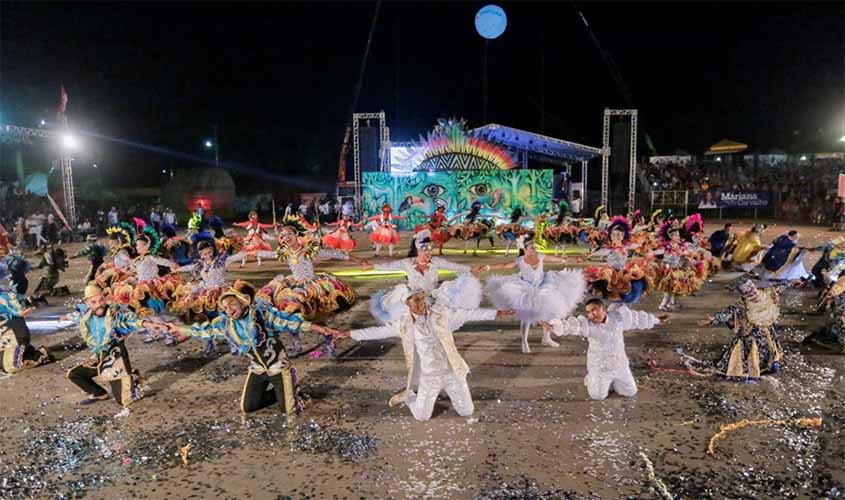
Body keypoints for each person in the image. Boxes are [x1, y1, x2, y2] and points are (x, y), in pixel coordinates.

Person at [323, 288, 515, 421]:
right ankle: (408, 397)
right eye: (416, 300)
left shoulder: (442, 314)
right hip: (429, 377)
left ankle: (451, 396)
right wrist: (347, 334)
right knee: (422, 417)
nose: (422, 303)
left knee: (467, 411)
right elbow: (377, 332)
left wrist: (497, 313)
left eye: (423, 298)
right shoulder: (404, 324)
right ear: (407, 303)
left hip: (452, 372)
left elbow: (468, 313)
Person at [167, 280, 305, 416]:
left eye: (233, 304)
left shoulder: (261, 315)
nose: (229, 310)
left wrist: (317, 327)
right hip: (257, 369)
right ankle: (288, 393)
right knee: (249, 407)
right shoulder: (227, 324)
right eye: (225, 307)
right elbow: (208, 331)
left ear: (242, 301)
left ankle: (290, 393)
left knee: (288, 411)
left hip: (278, 367)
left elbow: (288, 322)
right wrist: (180, 329)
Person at [256, 217, 365, 356]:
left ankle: (329, 342)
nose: (286, 237)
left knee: (318, 318)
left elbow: (334, 253)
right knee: (291, 316)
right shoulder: (285, 252)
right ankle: (296, 345)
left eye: (289, 234)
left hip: (312, 288)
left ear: (296, 236)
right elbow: (269, 254)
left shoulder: (309, 250)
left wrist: (358, 259)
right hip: (293, 288)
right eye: (283, 235)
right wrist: (252, 252)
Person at [63, 282, 164, 407]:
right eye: (93, 302)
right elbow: (78, 316)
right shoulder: (87, 316)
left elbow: (130, 321)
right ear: (87, 304)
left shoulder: (114, 315)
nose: (99, 304)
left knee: (123, 401)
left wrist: (149, 324)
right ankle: (99, 393)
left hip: (116, 362)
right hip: (99, 358)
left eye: (101, 300)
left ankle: (133, 378)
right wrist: (66, 317)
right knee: (74, 374)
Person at [482, 234, 586, 353]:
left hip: (543, 287)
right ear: (525, 249)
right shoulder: (520, 260)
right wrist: (488, 267)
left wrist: (572, 259)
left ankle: (546, 338)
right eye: (531, 247)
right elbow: (505, 265)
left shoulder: (540, 256)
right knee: (527, 316)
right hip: (526, 289)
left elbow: (559, 259)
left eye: (535, 247)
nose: (534, 249)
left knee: (547, 313)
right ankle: (524, 341)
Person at [543, 298, 660, 400]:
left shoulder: (618, 318)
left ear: (603, 309)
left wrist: (657, 320)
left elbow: (637, 320)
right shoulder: (588, 326)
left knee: (630, 392)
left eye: (594, 310)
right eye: (588, 312)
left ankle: (614, 383)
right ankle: (591, 379)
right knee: (598, 396)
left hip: (620, 366)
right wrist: (553, 327)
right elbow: (572, 327)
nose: (591, 314)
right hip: (600, 369)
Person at [364, 230, 484, 323]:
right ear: (418, 251)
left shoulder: (435, 261)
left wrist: (471, 269)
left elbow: (453, 266)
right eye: (425, 251)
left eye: (430, 251)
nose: (428, 254)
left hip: (432, 297)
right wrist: (372, 266)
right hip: (415, 299)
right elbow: (389, 266)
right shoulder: (407, 263)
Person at [698, 280, 787, 380]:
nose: (754, 293)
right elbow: (727, 313)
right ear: (744, 295)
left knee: (770, 356)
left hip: (767, 334)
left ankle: (769, 367)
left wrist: (793, 282)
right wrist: (714, 319)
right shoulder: (740, 306)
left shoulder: (766, 294)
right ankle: (753, 375)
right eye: (749, 292)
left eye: (753, 289)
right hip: (750, 338)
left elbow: (779, 288)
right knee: (751, 359)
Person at [0, 262, 53, 374]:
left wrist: (20, 311)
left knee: (10, 366)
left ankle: (40, 354)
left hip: (13, 333)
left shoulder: (4, 296)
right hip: (4, 335)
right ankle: (26, 352)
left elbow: (11, 302)